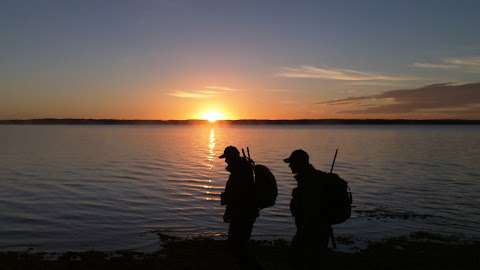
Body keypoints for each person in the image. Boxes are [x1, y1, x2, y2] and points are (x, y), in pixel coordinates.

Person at [284, 149, 331, 266]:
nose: (289, 165)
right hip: (315, 230)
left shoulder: (309, 182)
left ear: (300, 163)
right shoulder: (310, 178)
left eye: (292, 162)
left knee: (299, 261)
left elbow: (311, 209)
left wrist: (304, 228)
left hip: (311, 231)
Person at [219, 145, 258, 263]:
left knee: (238, 247)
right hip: (245, 213)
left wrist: (229, 210)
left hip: (242, 214)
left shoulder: (240, 172)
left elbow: (238, 196)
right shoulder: (242, 169)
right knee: (239, 246)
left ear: (232, 157)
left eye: (227, 158)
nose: (225, 160)